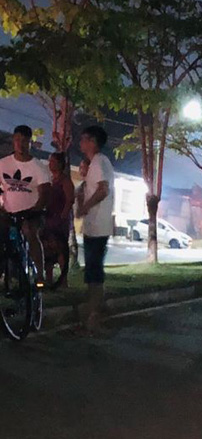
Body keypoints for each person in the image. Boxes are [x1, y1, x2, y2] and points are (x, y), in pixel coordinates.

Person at [75, 126, 114, 332]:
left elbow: (103, 190)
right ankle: (99, 308)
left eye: (83, 139)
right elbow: (92, 187)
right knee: (93, 269)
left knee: (94, 270)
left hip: (98, 226)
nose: (80, 143)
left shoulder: (99, 161)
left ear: (92, 141)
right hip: (95, 226)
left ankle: (93, 316)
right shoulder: (96, 163)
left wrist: (84, 207)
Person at [0, 125, 51, 280]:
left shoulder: (39, 167)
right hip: (8, 213)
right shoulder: (3, 164)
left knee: (30, 232)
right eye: (17, 140)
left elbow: (45, 192)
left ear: (30, 142)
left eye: (24, 141)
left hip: (31, 213)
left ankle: (39, 276)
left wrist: (36, 209)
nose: (20, 144)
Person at [41, 152, 75, 289]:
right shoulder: (51, 180)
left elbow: (69, 200)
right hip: (48, 219)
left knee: (60, 249)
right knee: (47, 249)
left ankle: (63, 280)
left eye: (53, 161)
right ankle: (48, 279)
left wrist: (62, 216)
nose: (50, 164)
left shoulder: (65, 181)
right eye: (50, 161)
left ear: (60, 164)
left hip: (60, 220)